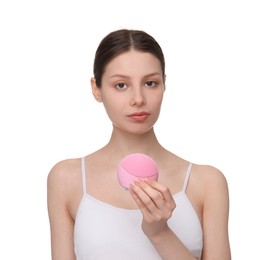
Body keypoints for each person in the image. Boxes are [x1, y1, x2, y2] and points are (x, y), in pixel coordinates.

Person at [47, 29, 231, 260]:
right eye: (121, 85)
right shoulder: (66, 178)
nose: (138, 99)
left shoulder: (207, 182)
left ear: (164, 84)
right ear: (96, 88)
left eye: (150, 83)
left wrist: (160, 233)